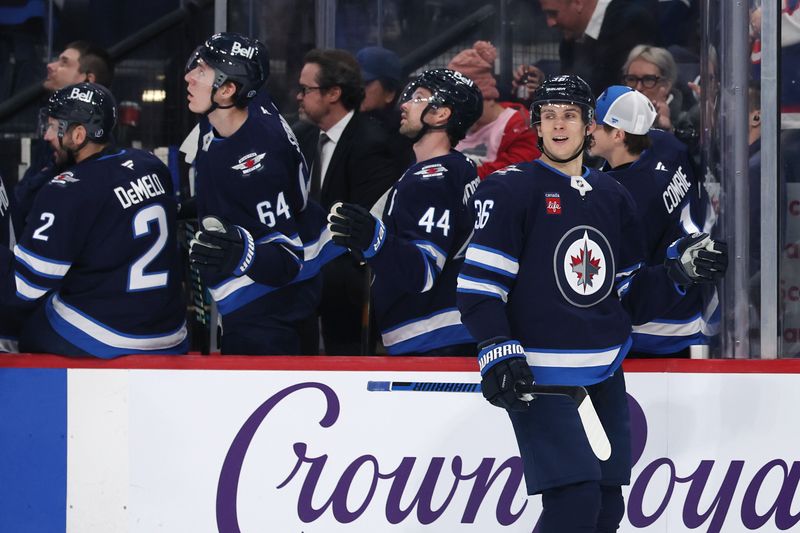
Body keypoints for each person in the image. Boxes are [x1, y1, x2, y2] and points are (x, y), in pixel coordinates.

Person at [456, 75, 727, 532]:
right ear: (537, 127)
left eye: (570, 115)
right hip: (540, 376)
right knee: (573, 503)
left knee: (606, 508)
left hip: (603, 375)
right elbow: (480, 286)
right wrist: (496, 344)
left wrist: (678, 274)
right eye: (548, 116)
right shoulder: (509, 189)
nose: (559, 125)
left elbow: (629, 297)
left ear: (589, 126)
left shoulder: (612, 196)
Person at [0, 82, 187, 357]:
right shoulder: (151, 165)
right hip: (169, 331)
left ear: (78, 134)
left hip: (112, 336)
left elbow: (26, 285)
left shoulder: (67, 188)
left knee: (16, 326)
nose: (48, 135)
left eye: (54, 127)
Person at [185, 33, 339, 355]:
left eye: (201, 71)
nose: (189, 77)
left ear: (227, 90)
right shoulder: (232, 108)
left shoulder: (259, 162)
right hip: (267, 293)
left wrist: (243, 254)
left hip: (270, 305)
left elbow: (287, 261)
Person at [328, 68, 482, 355]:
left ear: (441, 115)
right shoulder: (458, 166)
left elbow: (423, 271)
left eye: (419, 98)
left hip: (433, 337)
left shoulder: (431, 179)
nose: (405, 104)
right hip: (450, 331)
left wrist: (374, 240)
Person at [295, 48, 404, 354]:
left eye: (306, 89)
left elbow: (360, 230)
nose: (299, 97)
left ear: (333, 93)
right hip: (301, 276)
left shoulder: (372, 144)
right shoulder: (300, 137)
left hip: (345, 287)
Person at [589, 85, 708, 356]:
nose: (587, 129)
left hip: (653, 329)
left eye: (595, 124)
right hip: (688, 308)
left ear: (618, 134)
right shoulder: (667, 145)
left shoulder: (622, 197)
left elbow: (623, 288)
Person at [15, 41, 115, 234]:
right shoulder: (53, 126)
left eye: (64, 63)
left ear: (88, 80)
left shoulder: (94, 143)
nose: (50, 66)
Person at [447, 41, 540, 178]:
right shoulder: (450, 124)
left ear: (483, 97)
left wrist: (456, 176)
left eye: (463, 104)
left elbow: (517, 172)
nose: (458, 112)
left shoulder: (520, 126)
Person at [530, 0, 658, 96]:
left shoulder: (631, 23)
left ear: (578, 3)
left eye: (553, 13)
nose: (550, 23)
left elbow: (608, 91)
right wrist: (544, 84)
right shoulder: (570, 38)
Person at [356, 45, 414, 173]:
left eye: (366, 83)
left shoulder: (406, 135)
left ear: (390, 92)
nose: (357, 89)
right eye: (354, 82)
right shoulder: (343, 123)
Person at [621, 45, 688, 132]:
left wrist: (667, 130)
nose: (638, 88)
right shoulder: (616, 116)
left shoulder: (685, 119)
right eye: (632, 79)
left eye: (648, 79)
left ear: (666, 86)